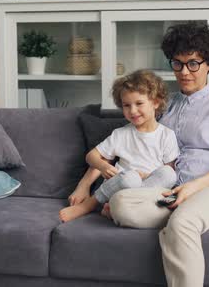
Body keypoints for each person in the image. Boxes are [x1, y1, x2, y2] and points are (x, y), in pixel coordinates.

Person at [108, 22, 209, 287]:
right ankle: (180, 220)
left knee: (183, 222)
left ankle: (182, 222)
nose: (185, 72)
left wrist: (192, 188)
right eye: (178, 63)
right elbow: (133, 142)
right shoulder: (165, 106)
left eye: (194, 63)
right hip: (171, 191)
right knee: (120, 203)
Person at [59, 70, 180, 223]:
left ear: (156, 102)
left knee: (169, 174)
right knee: (130, 178)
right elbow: (91, 156)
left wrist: (147, 176)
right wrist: (103, 166)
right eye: (126, 105)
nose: (133, 111)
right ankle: (89, 205)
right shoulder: (121, 134)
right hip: (123, 185)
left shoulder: (167, 135)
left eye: (139, 103)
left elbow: (168, 170)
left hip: (149, 188)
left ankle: (115, 209)